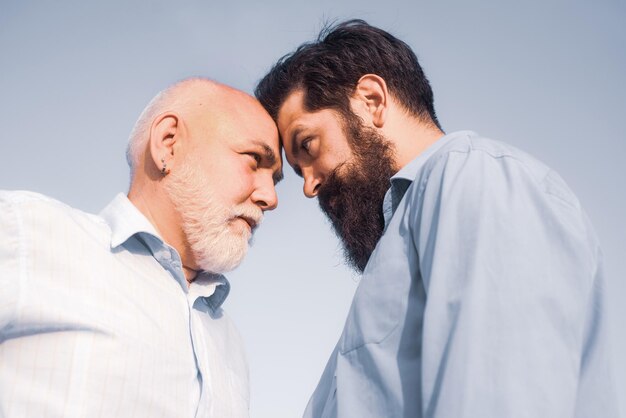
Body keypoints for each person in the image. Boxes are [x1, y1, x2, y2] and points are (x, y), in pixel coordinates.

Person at [255, 20, 619, 417]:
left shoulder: (474, 180)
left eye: (307, 145)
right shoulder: (410, 229)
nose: (309, 186)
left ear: (371, 101)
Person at [0, 77, 282, 418]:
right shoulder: (25, 230)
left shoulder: (231, 342)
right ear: (168, 144)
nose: (270, 198)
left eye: (274, 179)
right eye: (254, 160)